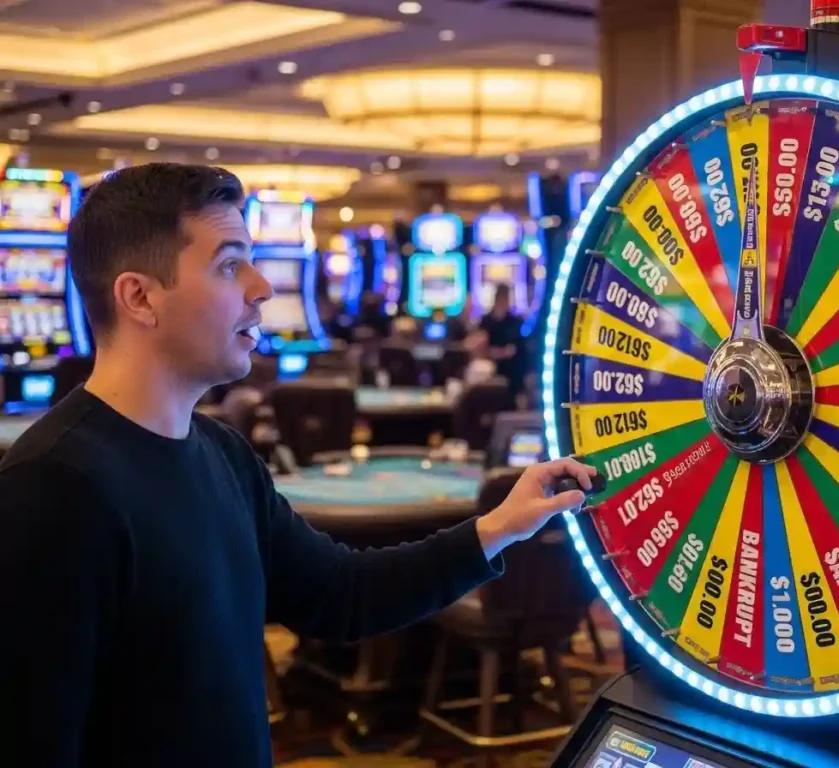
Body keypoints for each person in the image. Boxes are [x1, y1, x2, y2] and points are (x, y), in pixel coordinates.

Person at [0, 164, 595, 767]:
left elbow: (340, 594)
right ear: (139, 297)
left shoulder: (223, 452)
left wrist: (499, 525)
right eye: (230, 265)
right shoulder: (53, 488)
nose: (262, 287)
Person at [479, 282, 527, 397]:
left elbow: (516, 349)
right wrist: (500, 352)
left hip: (511, 367)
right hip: (489, 365)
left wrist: (502, 352)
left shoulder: (515, 321)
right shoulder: (485, 321)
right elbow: (482, 349)